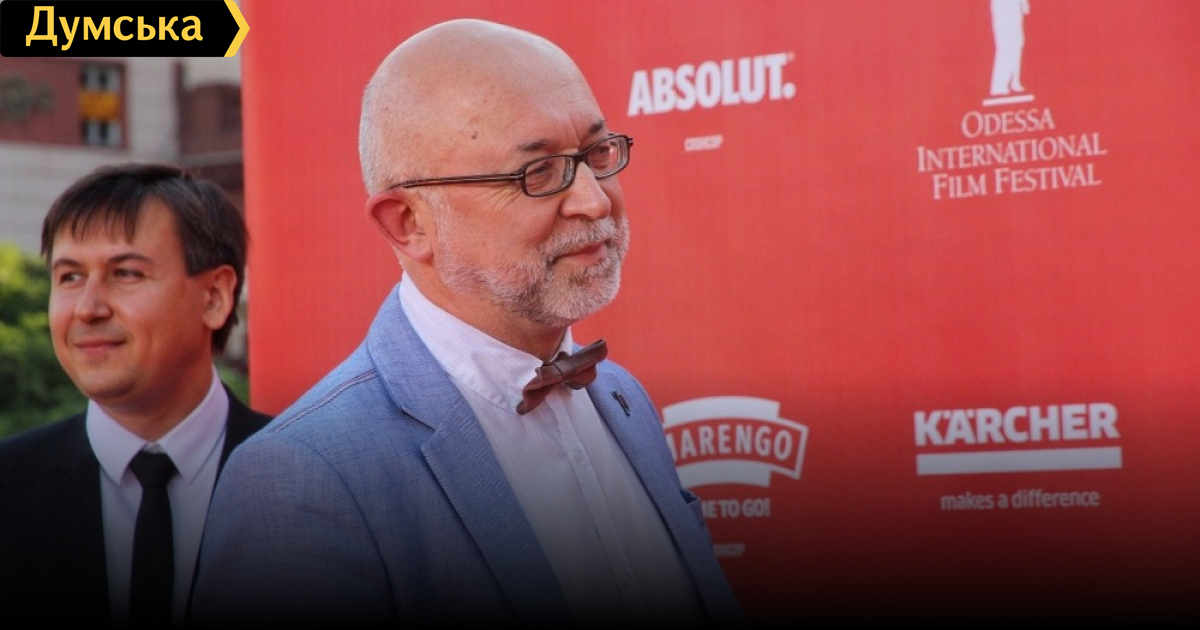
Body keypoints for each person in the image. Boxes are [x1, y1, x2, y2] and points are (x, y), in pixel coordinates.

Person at [192, 18, 745, 627]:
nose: (593, 199)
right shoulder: (300, 481)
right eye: (538, 173)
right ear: (409, 223)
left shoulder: (622, 398)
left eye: (596, 154)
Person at [0, 163, 273, 627]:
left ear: (214, 297)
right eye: (69, 277)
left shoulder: (311, 481)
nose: (87, 308)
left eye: (125, 273)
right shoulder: (9, 488)